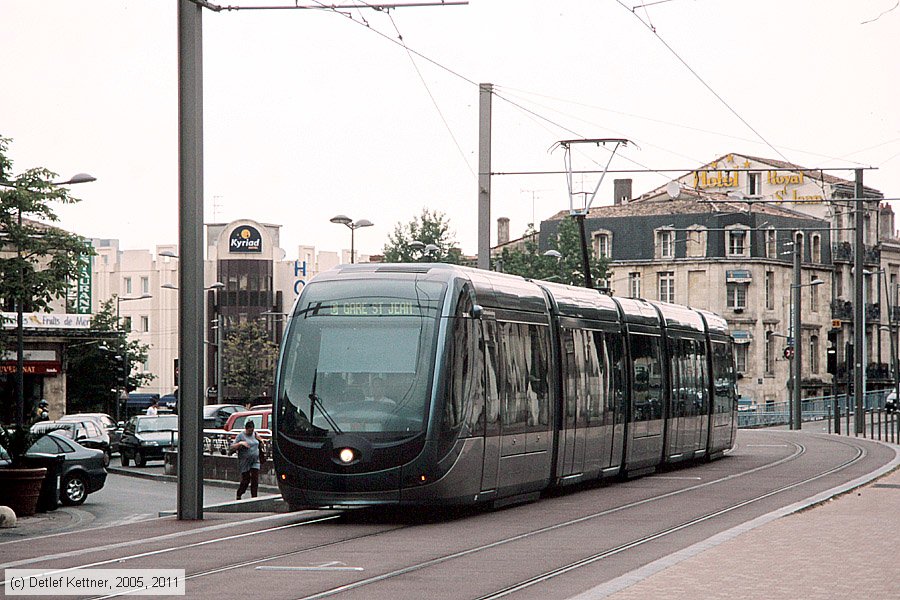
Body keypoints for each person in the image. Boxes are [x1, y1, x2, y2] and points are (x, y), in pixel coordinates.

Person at [229, 420, 261, 500]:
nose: (251, 432)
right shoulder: (241, 436)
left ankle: (254, 497)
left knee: (255, 478)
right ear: (246, 429)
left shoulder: (255, 434)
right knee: (246, 480)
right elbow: (232, 447)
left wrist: (260, 440)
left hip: (255, 460)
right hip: (245, 461)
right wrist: (240, 443)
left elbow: (261, 443)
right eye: (249, 430)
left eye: (252, 430)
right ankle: (239, 493)